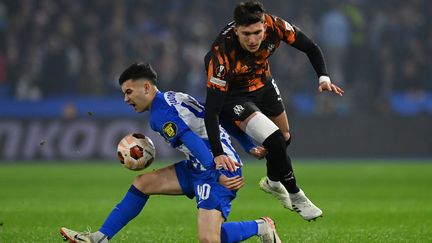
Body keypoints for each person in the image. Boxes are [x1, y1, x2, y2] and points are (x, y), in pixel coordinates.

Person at [60, 63, 281, 243]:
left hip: (217, 167)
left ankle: (262, 226)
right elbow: (216, 116)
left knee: (209, 238)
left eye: (129, 92)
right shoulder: (175, 97)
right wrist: (247, 143)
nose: (126, 99)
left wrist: (217, 172)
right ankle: (99, 238)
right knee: (143, 183)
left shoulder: (160, 114)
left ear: (146, 88)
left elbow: (192, 140)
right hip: (199, 164)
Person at [203, 0, 344, 221]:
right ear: (236, 30)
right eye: (246, 34)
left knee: (284, 138)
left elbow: (311, 47)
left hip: (264, 84)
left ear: (264, 27)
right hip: (235, 95)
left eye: (257, 32)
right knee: (276, 141)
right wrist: (218, 153)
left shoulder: (276, 25)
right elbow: (211, 111)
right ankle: (297, 196)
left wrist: (323, 77)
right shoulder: (220, 56)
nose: (252, 39)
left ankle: (271, 181)